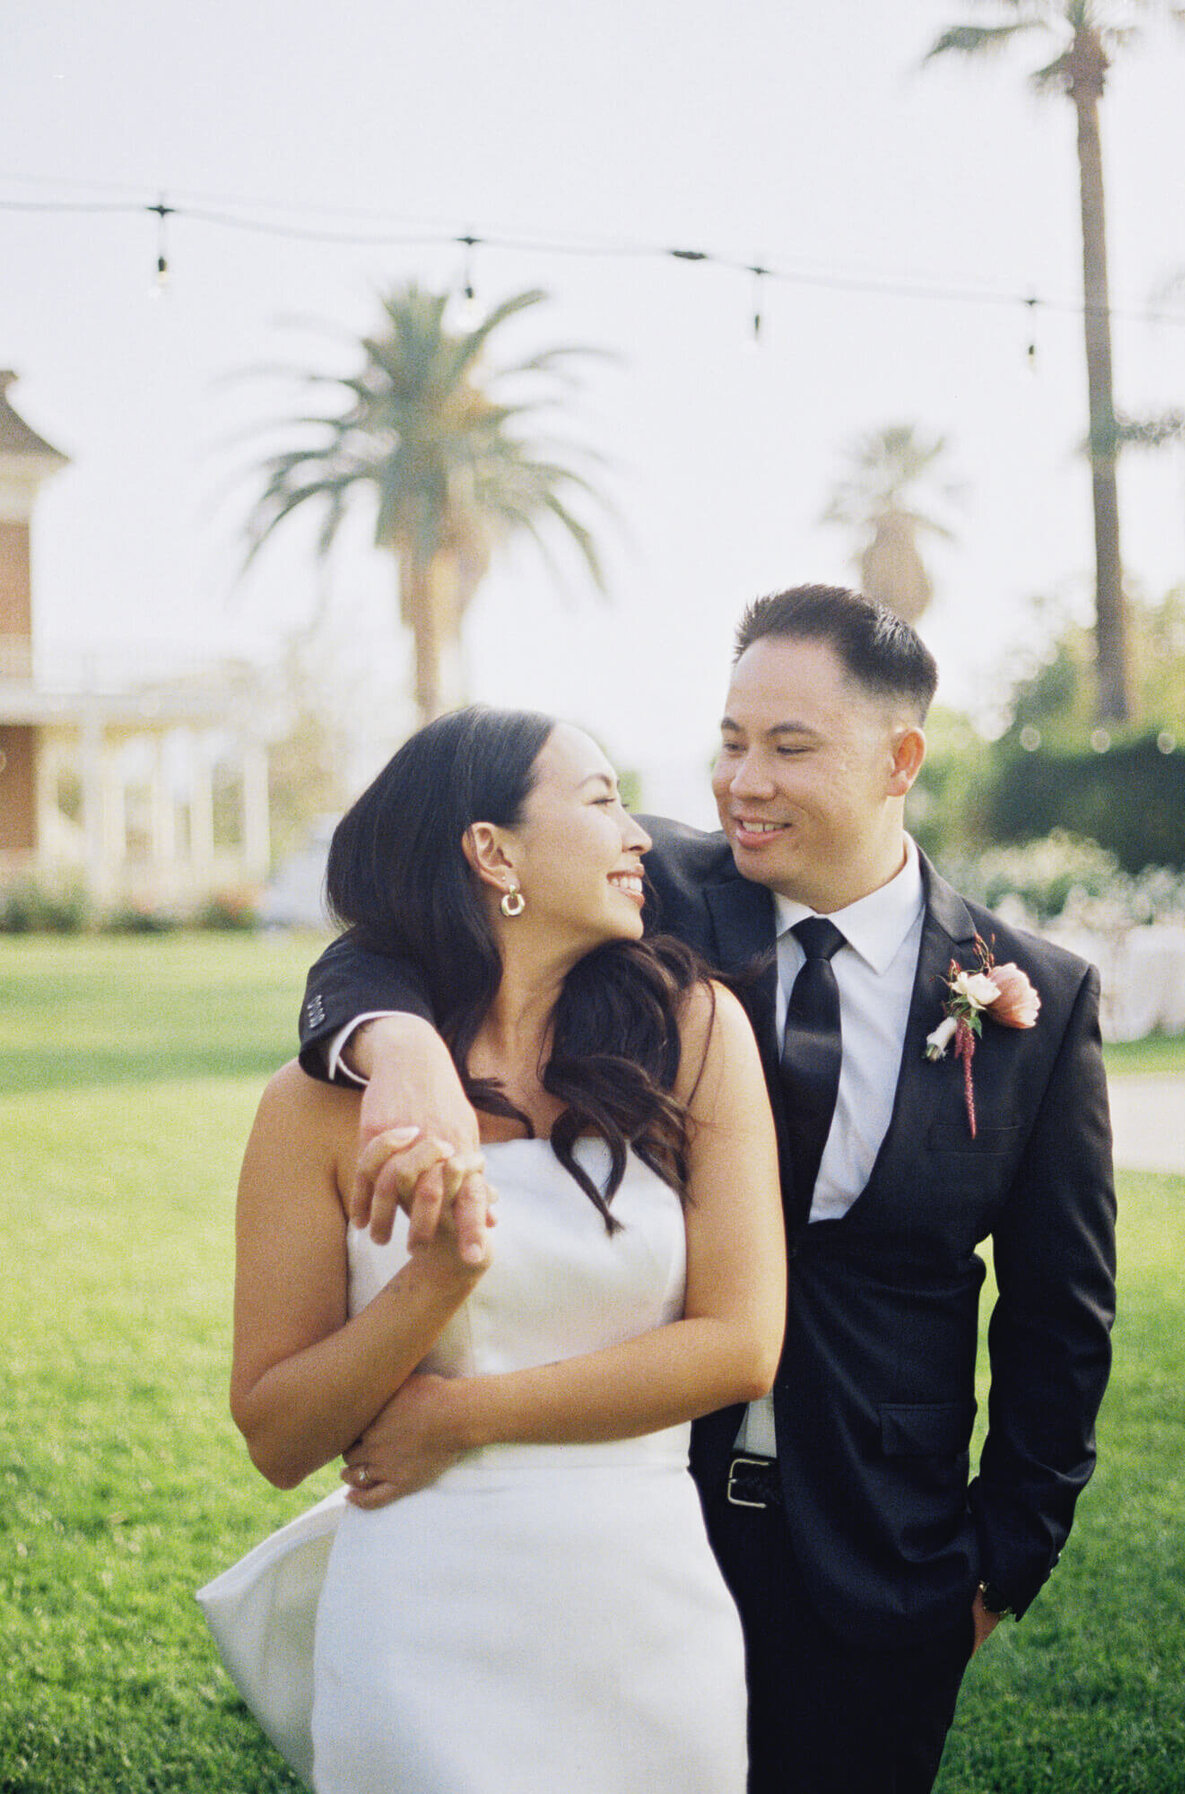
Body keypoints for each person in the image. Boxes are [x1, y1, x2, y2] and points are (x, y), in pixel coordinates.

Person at [298, 587, 1117, 1794]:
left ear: (900, 760)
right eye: (731, 741)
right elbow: (379, 939)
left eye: (789, 747)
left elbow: (1062, 1319)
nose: (744, 781)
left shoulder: (1034, 998)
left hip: (886, 1559)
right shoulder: (642, 890)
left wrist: (996, 1571)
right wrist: (397, 1044)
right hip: (631, 1521)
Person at [230, 705, 786, 1794]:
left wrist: (464, 1416)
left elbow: (741, 1347)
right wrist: (439, 1281)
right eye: (600, 799)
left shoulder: (696, 1034)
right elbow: (279, 1435)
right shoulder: (313, 1108)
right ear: (493, 852)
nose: (639, 836)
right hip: (419, 1619)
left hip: (648, 1612)